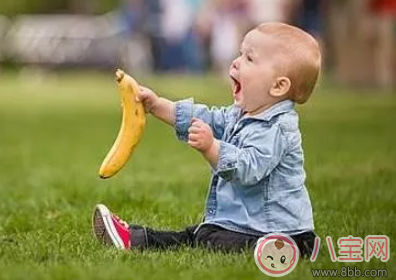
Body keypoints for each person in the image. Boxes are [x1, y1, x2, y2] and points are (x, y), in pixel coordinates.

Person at [92, 22, 321, 257]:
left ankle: (287, 250)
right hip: (246, 227)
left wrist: (212, 147)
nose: (236, 61)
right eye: (240, 53)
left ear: (278, 86)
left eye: (249, 59)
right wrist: (158, 105)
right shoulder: (241, 113)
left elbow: (249, 168)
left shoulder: (277, 128)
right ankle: (134, 238)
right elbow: (207, 117)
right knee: (201, 234)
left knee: (205, 237)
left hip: (277, 231)